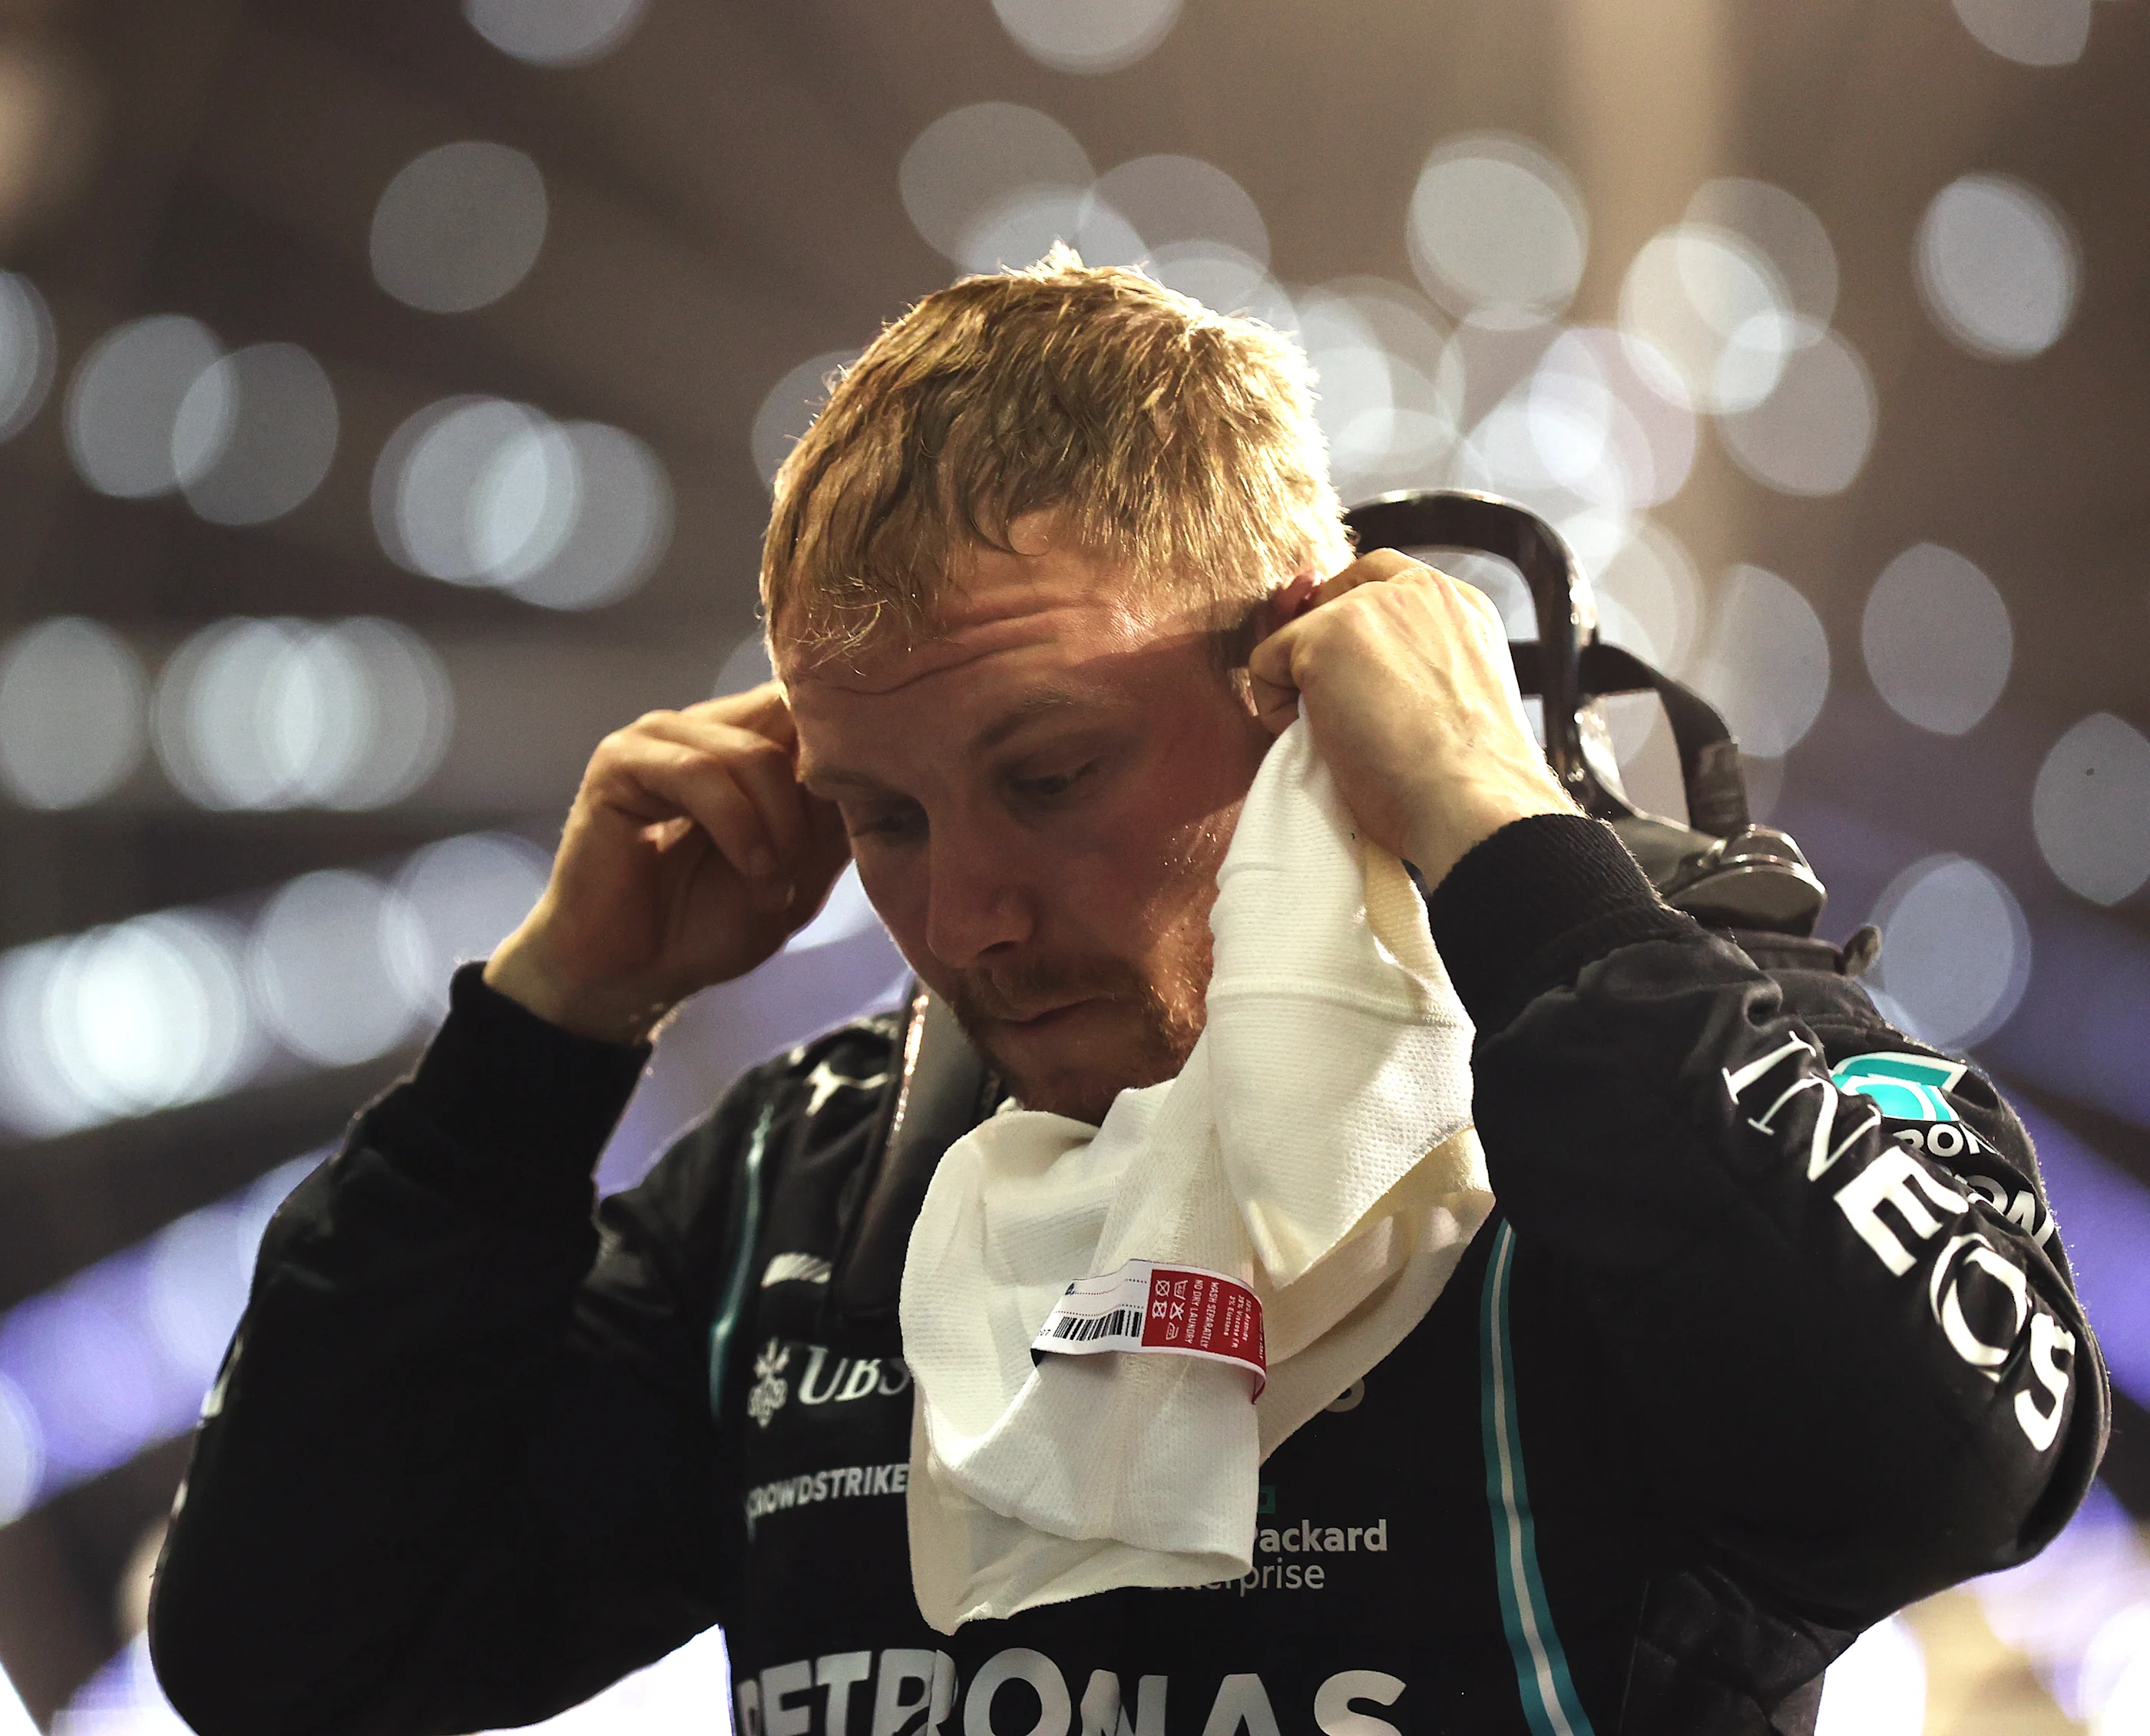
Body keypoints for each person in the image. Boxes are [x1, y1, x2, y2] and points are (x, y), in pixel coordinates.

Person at [148, 255, 2103, 1736]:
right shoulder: (801, 1190)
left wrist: (1502, 837)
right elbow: (291, 1653)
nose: (970, 913)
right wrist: (538, 1035)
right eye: (880, 814)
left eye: (1049, 772)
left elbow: (1953, 1466)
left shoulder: (1659, 1055)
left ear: (1316, 667)